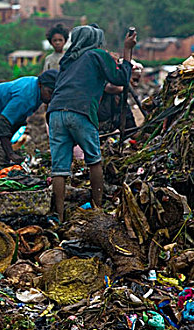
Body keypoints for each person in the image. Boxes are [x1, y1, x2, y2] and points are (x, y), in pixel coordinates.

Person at [47, 24, 136, 222]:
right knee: (94, 160)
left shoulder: (68, 60)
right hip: (80, 111)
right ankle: (98, 209)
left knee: (59, 168)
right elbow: (121, 78)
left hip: (55, 113)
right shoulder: (97, 54)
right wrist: (127, 49)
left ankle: (59, 217)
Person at [98, 60, 143, 134]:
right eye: (133, 79)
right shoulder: (102, 88)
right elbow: (114, 87)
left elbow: (131, 129)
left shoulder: (122, 103)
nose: (134, 84)